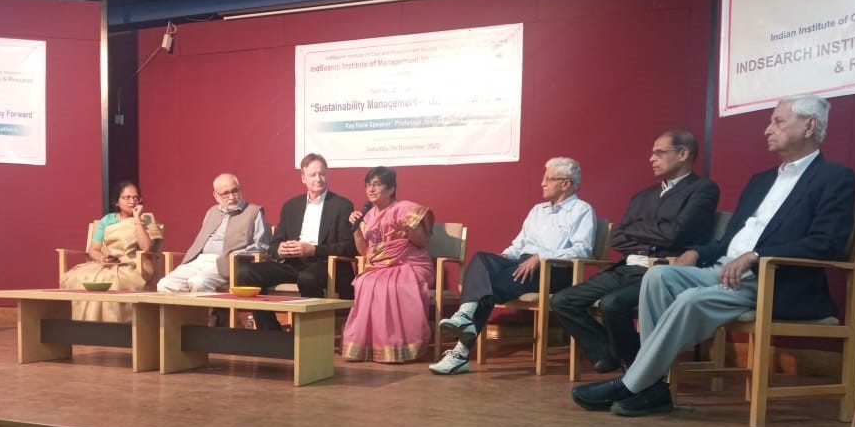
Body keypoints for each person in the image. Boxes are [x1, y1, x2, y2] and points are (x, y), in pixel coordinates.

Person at [571, 94, 855, 417]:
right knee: (658, 276)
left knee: (690, 300)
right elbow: (728, 241)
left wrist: (756, 255)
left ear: (810, 126)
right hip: (722, 271)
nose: (767, 129)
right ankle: (650, 387)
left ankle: (635, 383)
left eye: (778, 121)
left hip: (770, 280)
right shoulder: (761, 180)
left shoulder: (835, 177)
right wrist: (696, 251)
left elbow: (826, 243)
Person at [552, 131, 719, 373]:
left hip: (664, 270)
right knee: (562, 300)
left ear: (683, 154)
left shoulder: (703, 189)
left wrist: (638, 230)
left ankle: (634, 369)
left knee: (612, 304)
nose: (652, 158)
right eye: (652, 153)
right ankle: (610, 353)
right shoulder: (643, 195)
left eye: (659, 153)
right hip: (628, 266)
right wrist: (656, 231)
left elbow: (677, 234)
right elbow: (618, 236)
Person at [429, 157, 596, 375]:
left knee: (487, 286)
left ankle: (461, 352)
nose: (542, 183)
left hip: (555, 270)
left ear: (565, 183)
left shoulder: (581, 210)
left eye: (548, 179)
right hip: (523, 263)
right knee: (482, 260)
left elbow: (582, 250)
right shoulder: (538, 210)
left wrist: (541, 257)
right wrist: (500, 260)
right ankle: (465, 319)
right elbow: (519, 244)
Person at [234, 153, 357, 330]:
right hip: (294, 264)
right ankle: (270, 330)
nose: (318, 179)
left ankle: (312, 332)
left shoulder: (342, 205)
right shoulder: (291, 206)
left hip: (326, 265)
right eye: (313, 175)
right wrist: (281, 250)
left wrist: (313, 250)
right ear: (303, 178)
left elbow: (348, 247)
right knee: (246, 272)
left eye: (322, 174)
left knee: (308, 278)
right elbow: (274, 245)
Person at [341, 167, 434, 363]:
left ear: (391, 189)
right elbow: (365, 253)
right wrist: (357, 231)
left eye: (376, 185)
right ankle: (370, 347)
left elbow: (422, 242)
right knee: (364, 282)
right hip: (380, 267)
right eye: (368, 185)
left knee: (391, 286)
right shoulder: (367, 215)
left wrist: (410, 229)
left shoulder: (405, 209)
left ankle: (399, 346)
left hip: (411, 263)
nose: (371, 190)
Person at [156, 173, 270, 324]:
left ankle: (209, 327)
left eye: (235, 190)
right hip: (199, 260)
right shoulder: (212, 212)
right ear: (216, 196)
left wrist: (236, 255)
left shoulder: (254, 211)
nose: (232, 197)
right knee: (165, 285)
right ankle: (183, 327)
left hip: (227, 261)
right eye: (225, 193)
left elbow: (262, 246)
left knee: (199, 282)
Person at [61, 181, 164, 322]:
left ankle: (116, 326)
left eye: (135, 197)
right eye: (126, 198)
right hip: (107, 263)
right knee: (78, 278)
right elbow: (94, 249)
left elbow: (146, 248)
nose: (132, 201)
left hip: (134, 264)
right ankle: (82, 324)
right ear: (117, 201)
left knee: (111, 281)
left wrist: (136, 220)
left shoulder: (146, 219)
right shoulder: (107, 220)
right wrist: (102, 258)